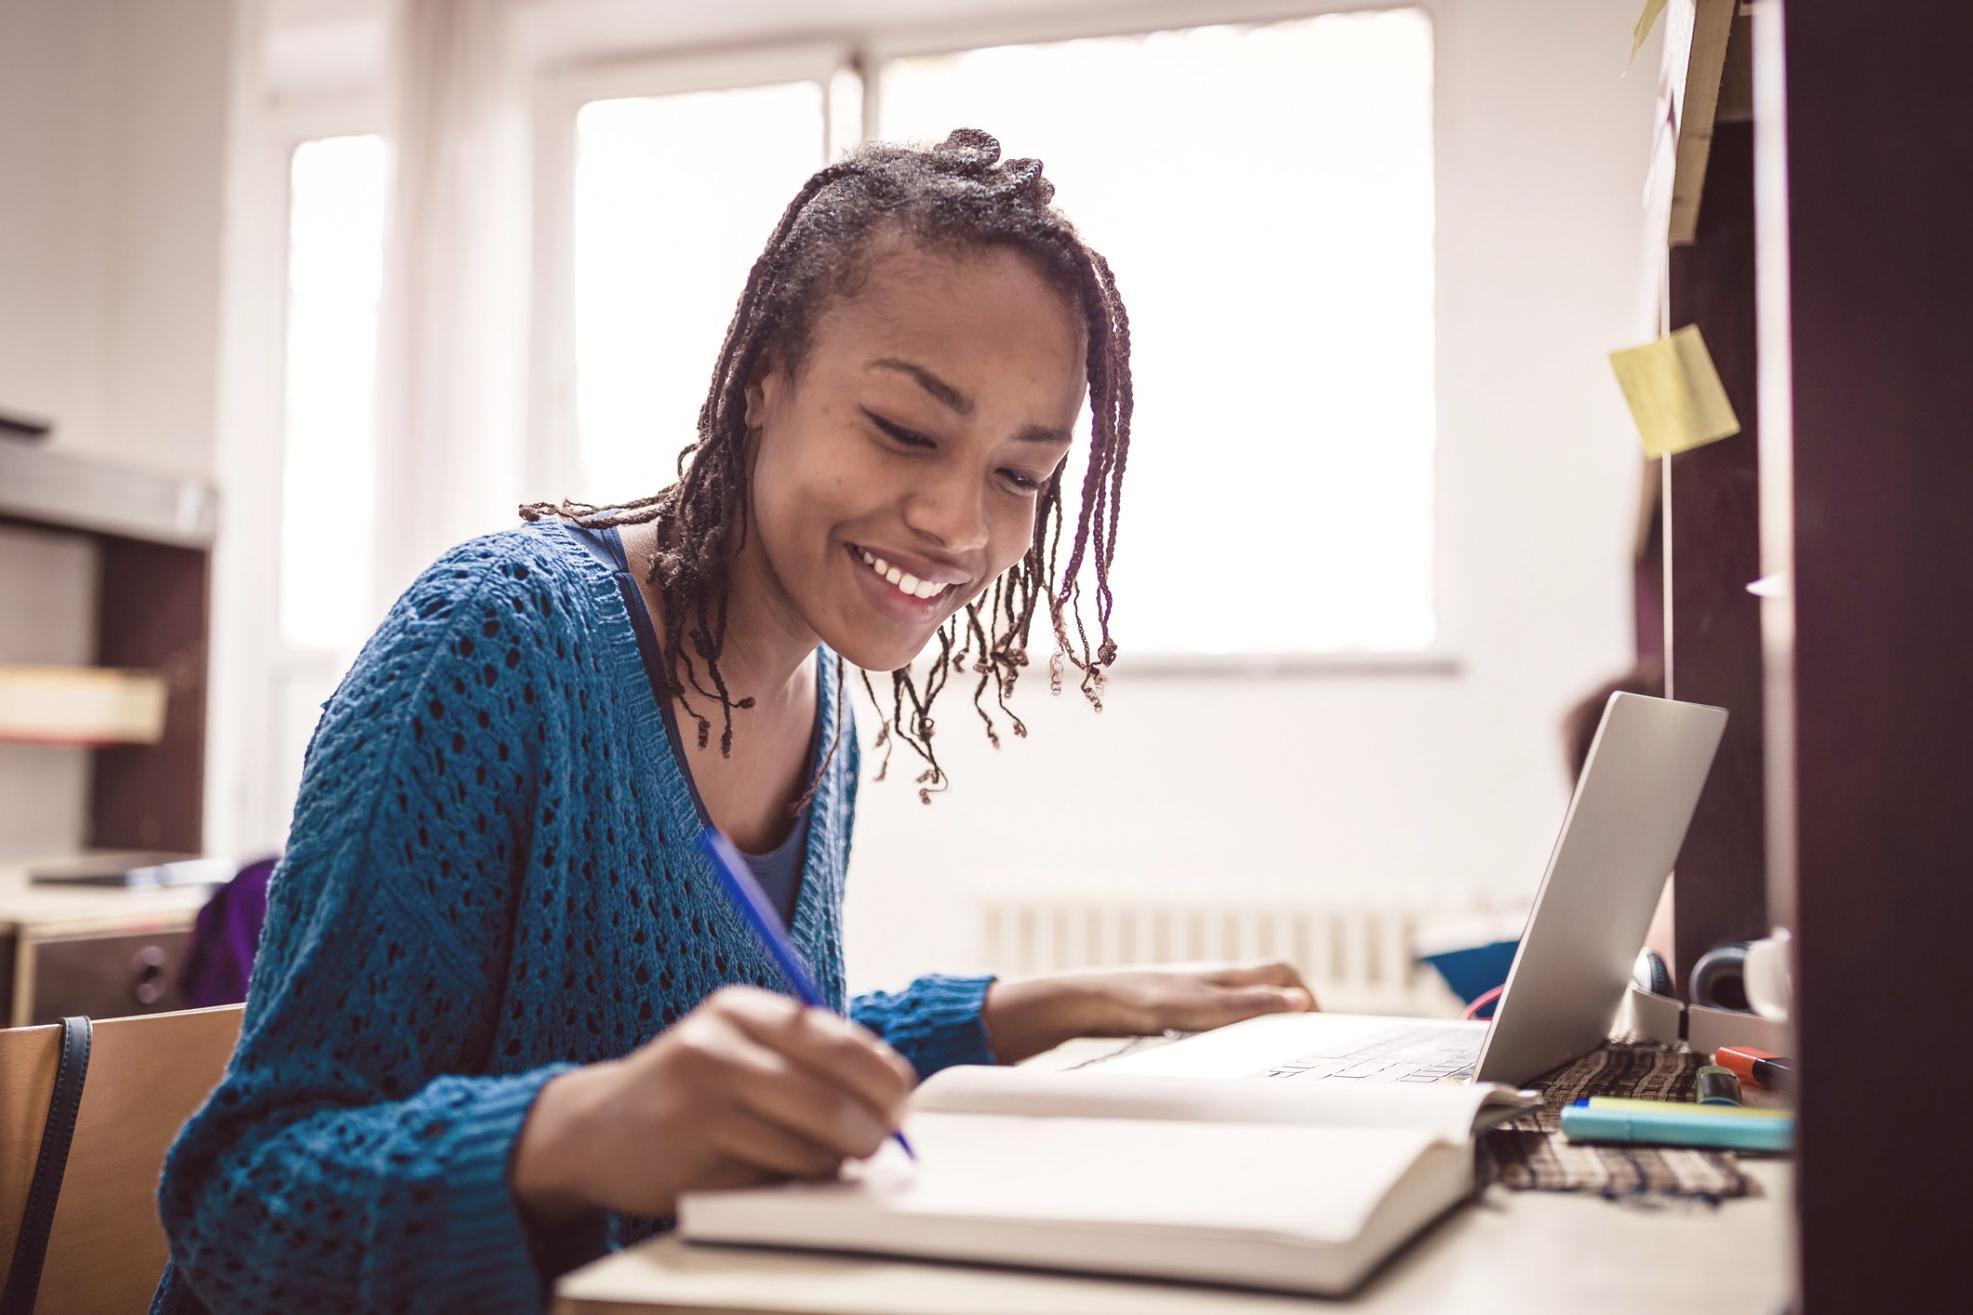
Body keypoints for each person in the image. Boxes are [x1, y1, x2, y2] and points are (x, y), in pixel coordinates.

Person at [153, 129, 1315, 1314]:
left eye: (1019, 475)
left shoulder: (822, 713)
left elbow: (751, 1057)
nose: (958, 524)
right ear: (764, 374)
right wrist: (577, 1132)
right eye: (905, 431)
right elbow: (243, 1195)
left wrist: (1050, 1005)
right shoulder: (500, 645)